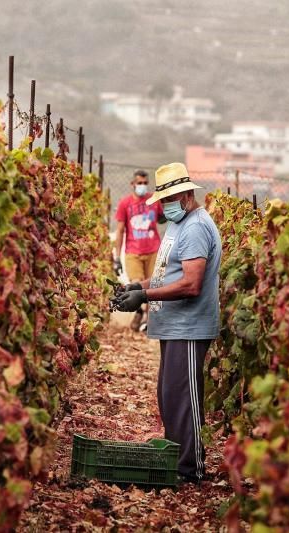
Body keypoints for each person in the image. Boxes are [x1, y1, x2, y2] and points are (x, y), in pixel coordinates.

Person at [116, 162, 222, 483]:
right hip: (175, 327)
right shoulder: (179, 224)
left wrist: (145, 299)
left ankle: (190, 471)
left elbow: (191, 283)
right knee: (170, 395)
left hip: (189, 328)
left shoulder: (195, 227)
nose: (164, 206)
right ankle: (177, 461)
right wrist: (138, 288)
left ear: (187, 195)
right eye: (162, 200)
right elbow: (167, 274)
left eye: (169, 199)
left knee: (184, 400)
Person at [114, 170, 165, 331]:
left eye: (145, 183)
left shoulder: (154, 200)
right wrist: (117, 256)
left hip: (153, 249)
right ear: (133, 184)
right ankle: (138, 311)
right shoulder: (125, 203)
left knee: (153, 286)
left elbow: (163, 217)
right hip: (133, 252)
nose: (142, 186)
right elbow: (120, 231)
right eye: (139, 183)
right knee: (137, 284)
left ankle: (150, 322)